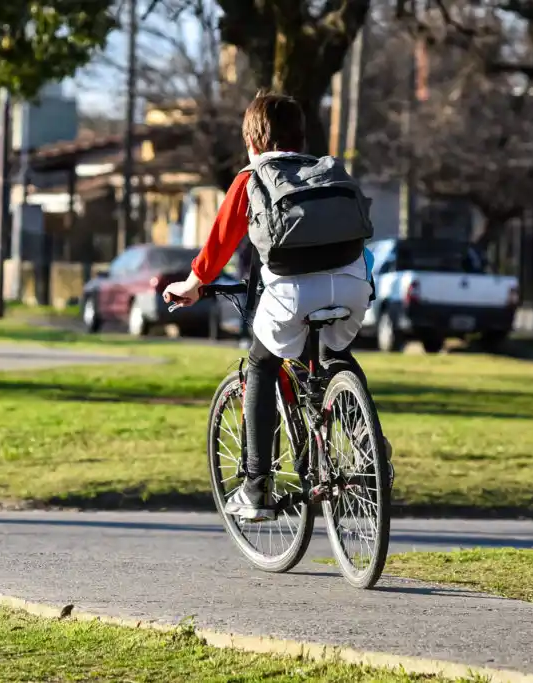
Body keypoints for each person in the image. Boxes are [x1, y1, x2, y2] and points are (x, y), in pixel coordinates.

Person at [164, 92, 389, 522]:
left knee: (261, 365)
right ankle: (369, 445)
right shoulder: (327, 171)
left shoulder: (252, 178)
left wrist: (193, 285)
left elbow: (218, 246)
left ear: (252, 142)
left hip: (290, 295)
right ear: (301, 137)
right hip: (353, 287)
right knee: (336, 355)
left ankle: (255, 489)